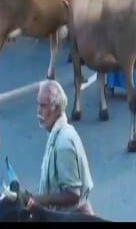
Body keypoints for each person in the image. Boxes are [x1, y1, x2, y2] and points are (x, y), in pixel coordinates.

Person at [30, 80, 94, 214]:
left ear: (56, 108)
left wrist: (40, 200)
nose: (38, 111)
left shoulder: (63, 143)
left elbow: (72, 194)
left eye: (43, 106)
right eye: (38, 105)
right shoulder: (56, 134)